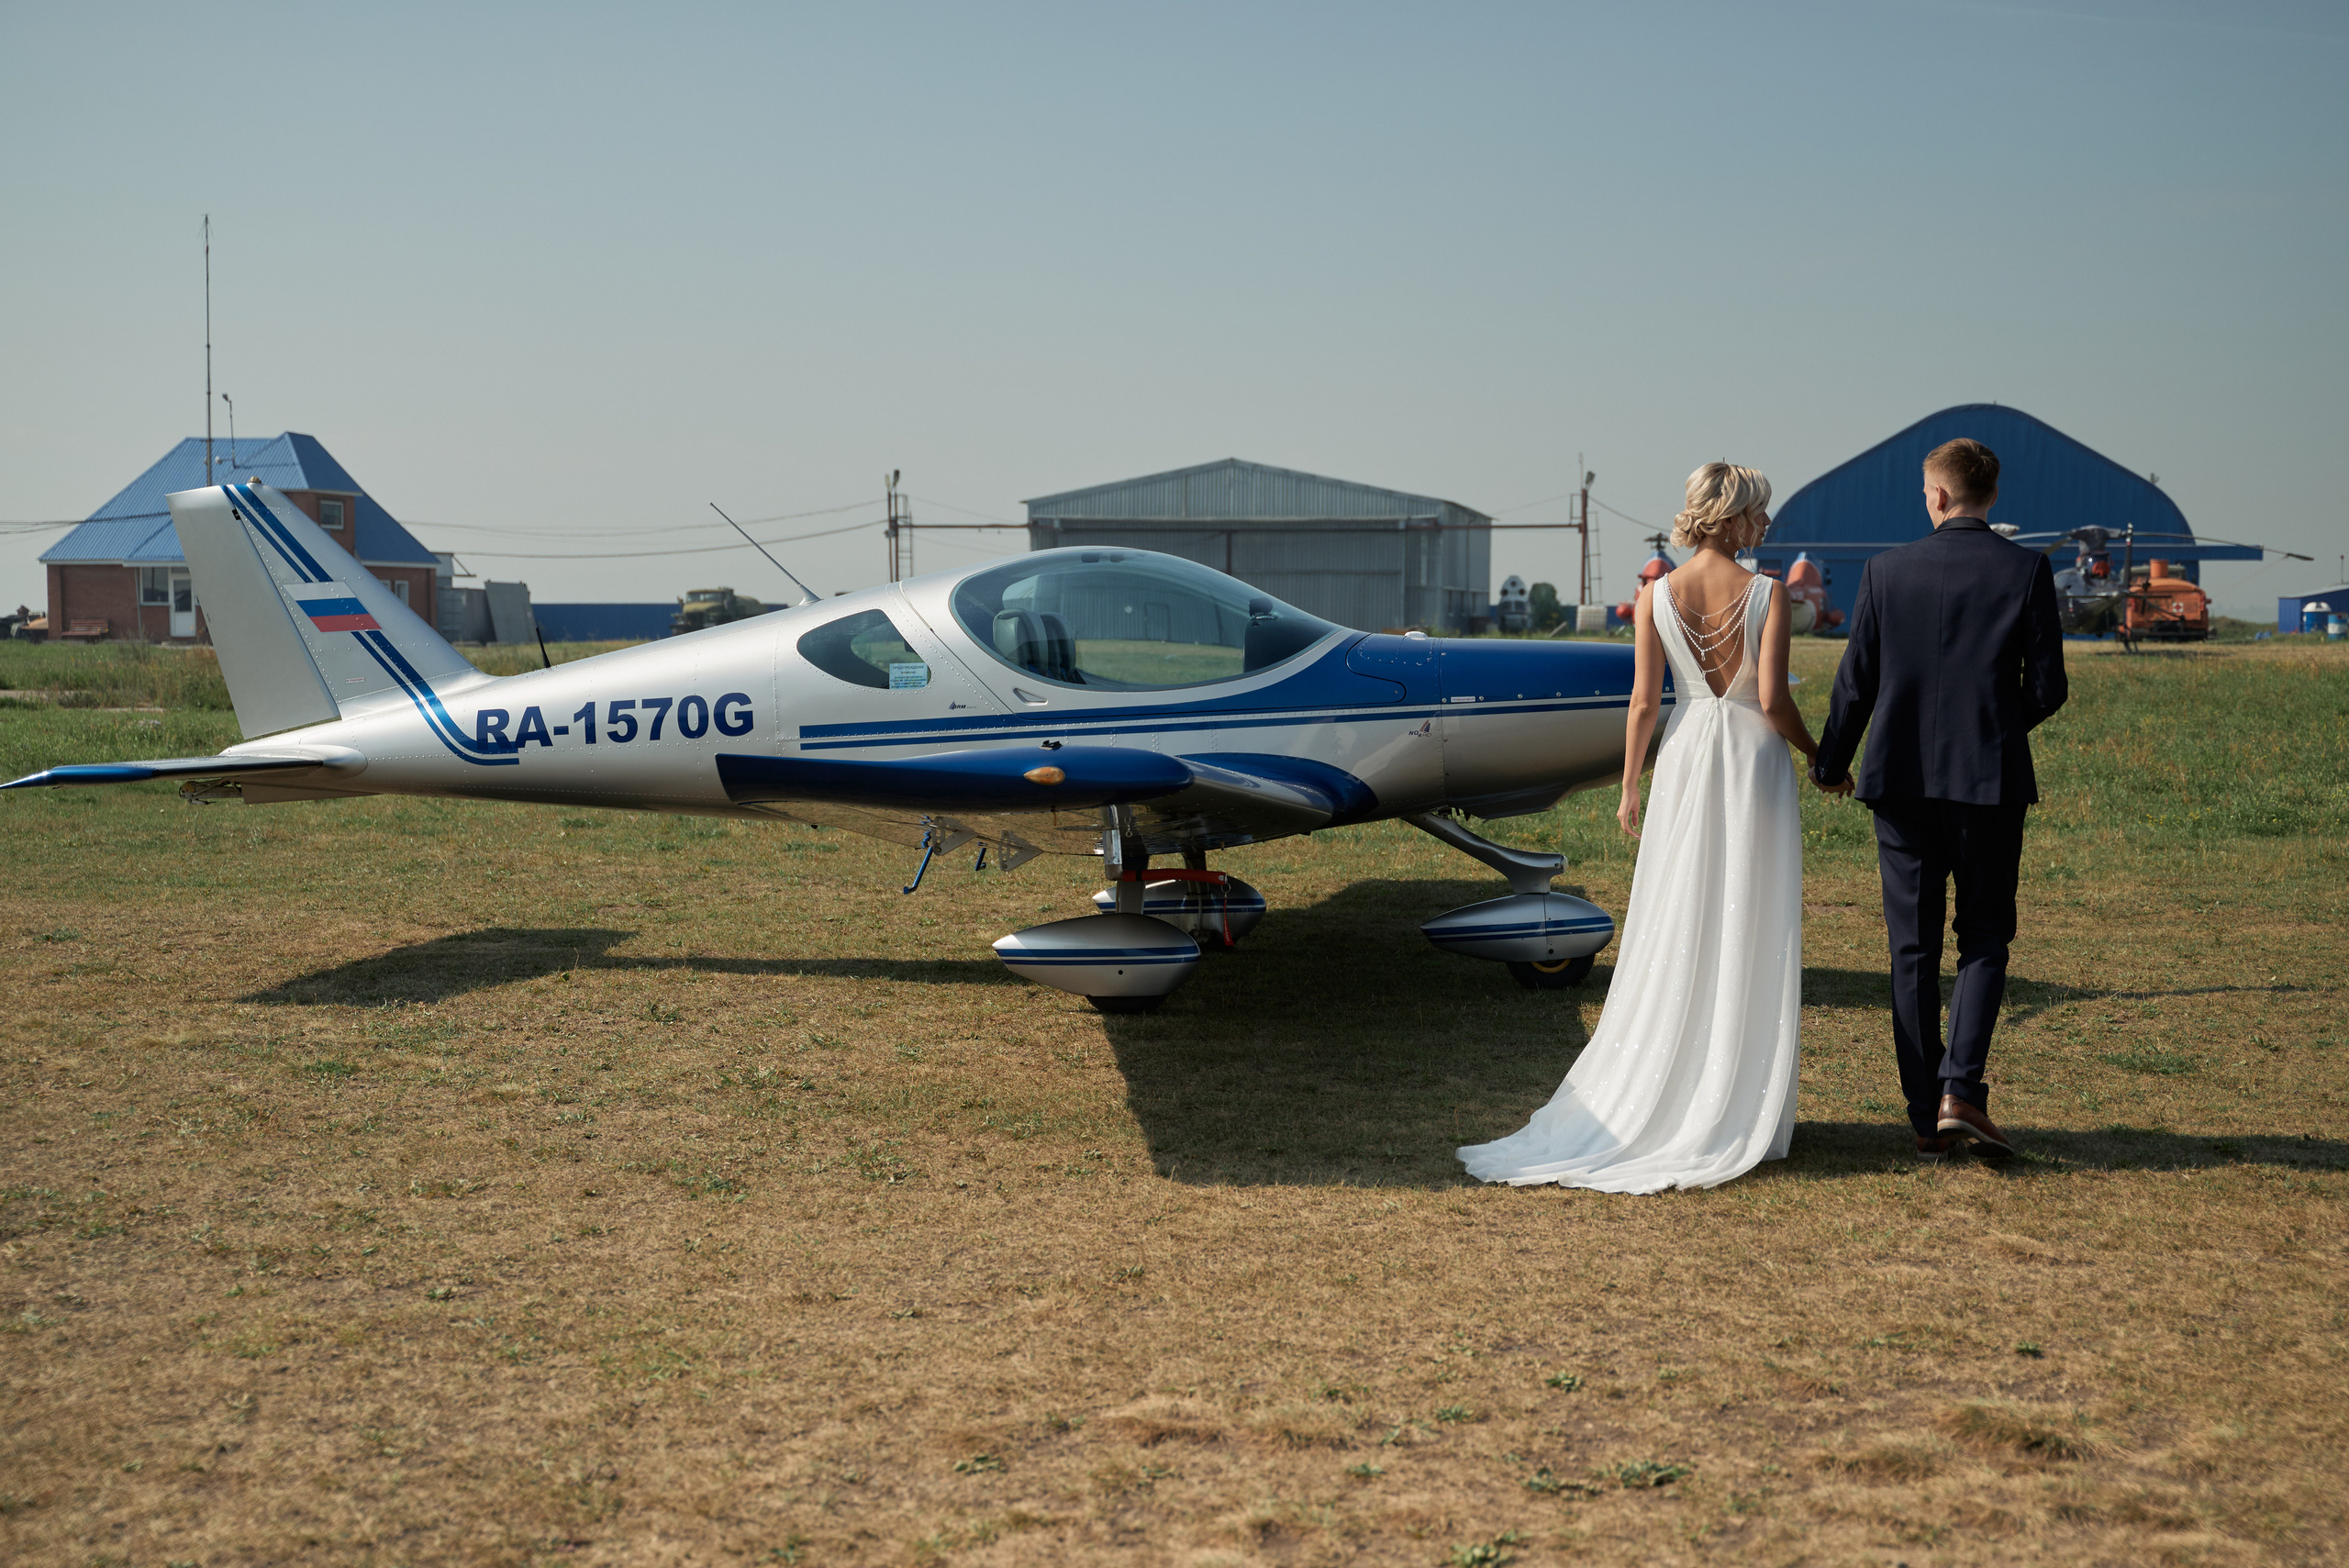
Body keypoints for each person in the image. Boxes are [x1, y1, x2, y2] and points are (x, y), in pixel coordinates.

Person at [1457, 463, 1820, 1193]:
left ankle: (1676, 1084)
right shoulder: (1769, 595)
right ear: (1731, 516)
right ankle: (1734, 1096)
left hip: (1685, 757)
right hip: (1751, 759)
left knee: (1681, 907)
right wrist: (1819, 754)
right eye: (1759, 513)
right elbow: (1775, 699)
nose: (1766, 527)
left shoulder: (1655, 595)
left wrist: (1630, 782)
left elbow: (1642, 705)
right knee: (1748, 912)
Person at [1810, 438, 2067, 1162]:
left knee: (1911, 949)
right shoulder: (2027, 569)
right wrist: (1990, 724)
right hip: (1989, 784)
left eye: (1926, 491)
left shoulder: (1886, 572)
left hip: (1899, 781)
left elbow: (1855, 681)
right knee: (1985, 937)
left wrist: (1831, 763)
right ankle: (1963, 1090)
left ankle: (1926, 1116)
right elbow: (2049, 688)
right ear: (1990, 495)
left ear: (1941, 496)